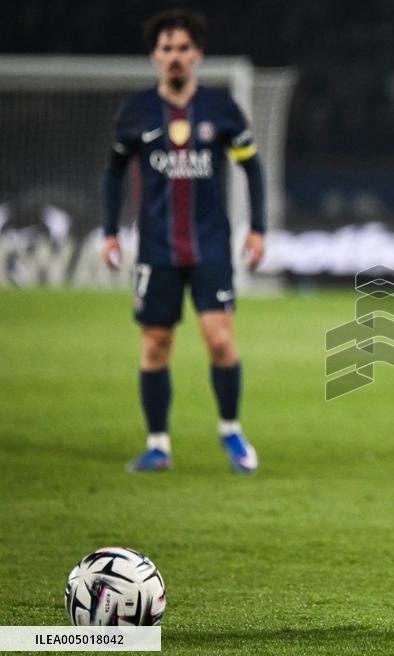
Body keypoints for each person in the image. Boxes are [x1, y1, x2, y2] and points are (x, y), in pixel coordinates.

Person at [101, 9, 265, 473]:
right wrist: (110, 231)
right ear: (155, 56)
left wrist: (258, 228)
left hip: (210, 246)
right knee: (155, 347)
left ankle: (231, 431)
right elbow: (113, 174)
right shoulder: (136, 112)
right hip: (157, 250)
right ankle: (158, 445)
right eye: (167, 48)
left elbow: (252, 166)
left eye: (183, 48)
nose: (175, 56)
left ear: (198, 55)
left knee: (220, 341)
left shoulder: (221, 109)